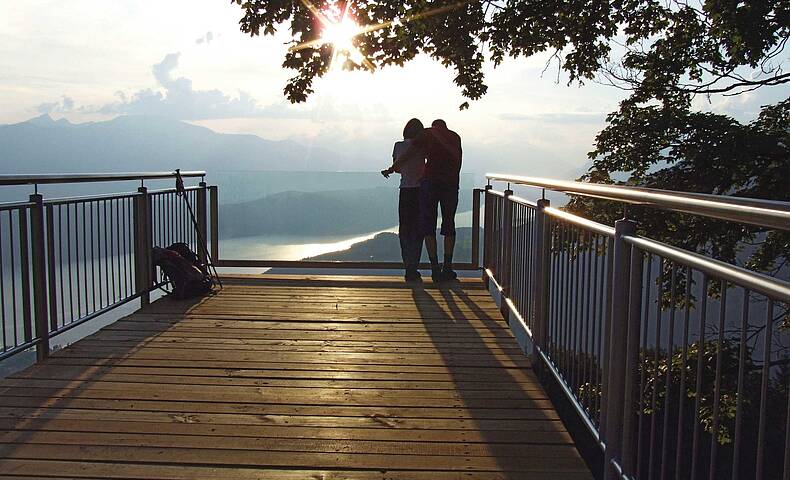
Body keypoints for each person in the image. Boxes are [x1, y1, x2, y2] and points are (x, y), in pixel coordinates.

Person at [384, 119, 462, 282]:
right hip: (449, 185)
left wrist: (391, 169)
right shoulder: (454, 136)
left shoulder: (425, 135)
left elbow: (407, 156)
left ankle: (429, 268)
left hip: (425, 186)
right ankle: (447, 267)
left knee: (423, 227)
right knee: (448, 225)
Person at [381, 118, 426, 282]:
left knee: (405, 230)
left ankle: (408, 267)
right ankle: (414, 266)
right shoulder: (422, 146)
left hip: (405, 191)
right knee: (418, 230)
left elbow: (398, 168)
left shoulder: (398, 145)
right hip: (421, 191)